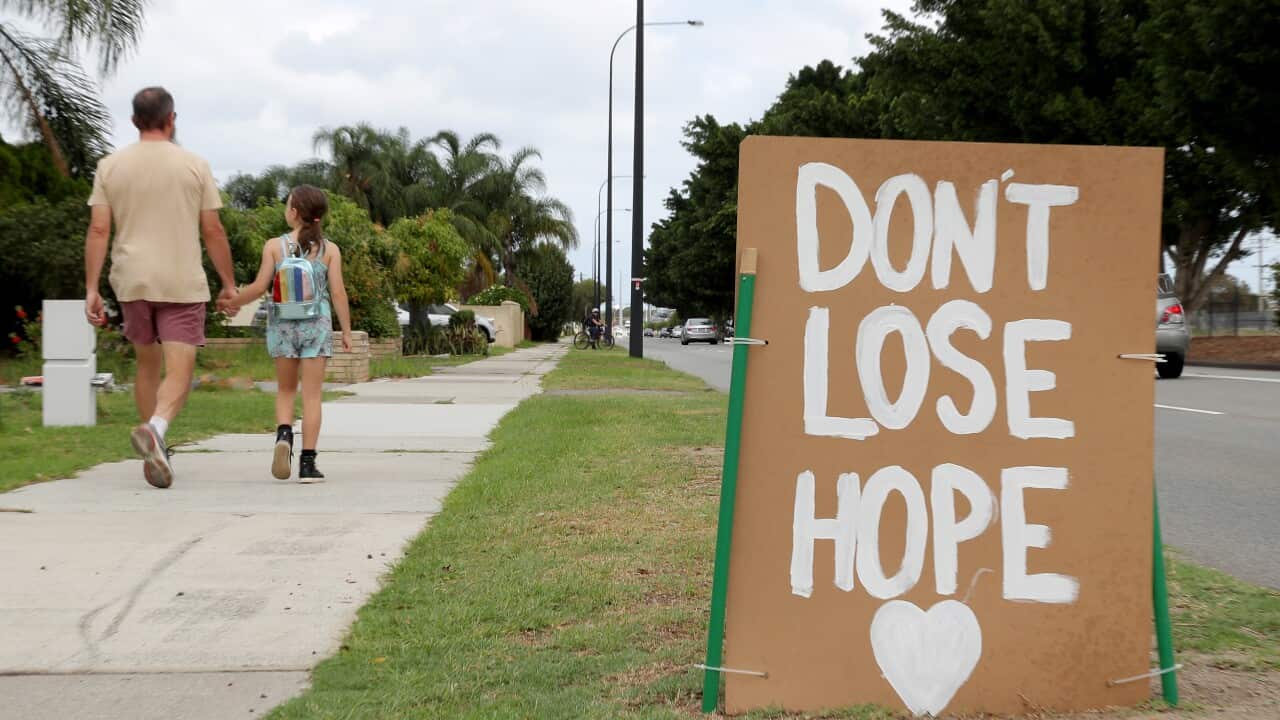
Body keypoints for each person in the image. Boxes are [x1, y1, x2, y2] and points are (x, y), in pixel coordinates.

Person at [84, 87, 236, 489]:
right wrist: (228, 283)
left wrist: (91, 288)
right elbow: (212, 230)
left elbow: (99, 228)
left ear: (134, 121)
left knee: (147, 365)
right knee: (179, 372)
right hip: (181, 280)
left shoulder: (110, 166)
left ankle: (156, 449)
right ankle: (156, 428)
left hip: (131, 279)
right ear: (172, 119)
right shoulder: (194, 165)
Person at [222, 186, 352, 481]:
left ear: (294, 213)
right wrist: (344, 330)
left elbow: (258, 288)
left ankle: (284, 436)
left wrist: (233, 303)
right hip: (316, 325)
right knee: (312, 395)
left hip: (282, 325)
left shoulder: (274, 246)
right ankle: (308, 463)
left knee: (285, 390)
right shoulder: (330, 250)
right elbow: (338, 292)